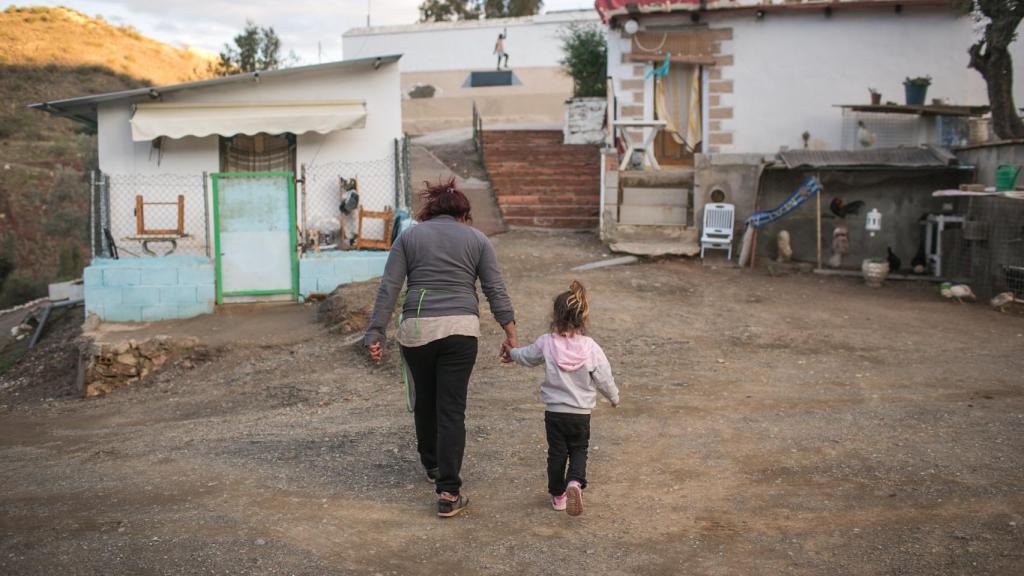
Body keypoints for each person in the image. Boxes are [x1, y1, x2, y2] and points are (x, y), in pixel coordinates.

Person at [365, 177, 517, 519]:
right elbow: (496, 290)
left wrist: (375, 333)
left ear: (429, 212)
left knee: (426, 401)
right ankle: (449, 492)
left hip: (417, 329)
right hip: (461, 329)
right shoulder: (478, 240)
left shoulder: (409, 238)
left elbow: (388, 287)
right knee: (451, 409)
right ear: (463, 214)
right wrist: (511, 332)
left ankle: (432, 464)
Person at [502, 281, 619, 517]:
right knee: (578, 449)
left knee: (557, 452)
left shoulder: (547, 342)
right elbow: (604, 377)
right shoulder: (590, 347)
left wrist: (512, 352)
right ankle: (575, 482)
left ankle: (558, 496)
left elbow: (527, 357)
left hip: (554, 412)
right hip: (580, 414)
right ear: (583, 317)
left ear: (555, 316)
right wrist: (614, 397)